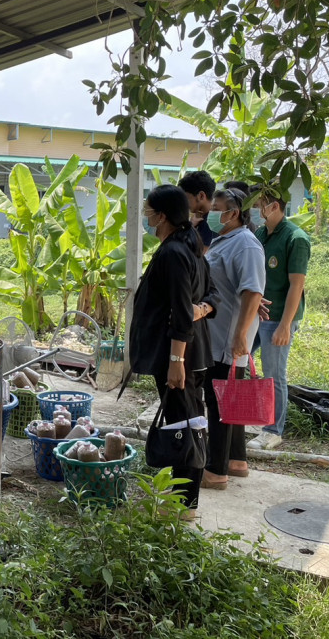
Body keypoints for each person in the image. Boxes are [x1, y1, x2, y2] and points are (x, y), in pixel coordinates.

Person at [129, 185, 217, 517]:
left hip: (181, 355)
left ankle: (185, 504)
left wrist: (176, 361)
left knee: (185, 425)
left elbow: (182, 315)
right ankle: (182, 496)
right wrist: (202, 309)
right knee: (187, 420)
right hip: (188, 353)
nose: (146, 216)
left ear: (162, 216)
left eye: (149, 211)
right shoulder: (188, 246)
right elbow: (211, 296)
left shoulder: (175, 253)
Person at [199, 189, 266, 489]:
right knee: (231, 398)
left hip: (227, 340)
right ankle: (236, 461)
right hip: (218, 335)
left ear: (234, 212)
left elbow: (252, 291)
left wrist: (240, 335)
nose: (212, 213)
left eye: (217, 208)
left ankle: (215, 471)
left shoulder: (246, 244)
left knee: (219, 403)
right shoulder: (225, 240)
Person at [248, 187, 311, 450]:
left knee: (274, 374)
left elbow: (297, 285)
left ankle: (273, 430)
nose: (256, 210)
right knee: (238, 360)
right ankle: (253, 415)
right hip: (255, 314)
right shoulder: (261, 234)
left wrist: (285, 325)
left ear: (274, 206)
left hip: (278, 317)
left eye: (259, 205)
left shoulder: (296, 238)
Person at [178, 170, 217, 251]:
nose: (183, 203)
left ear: (201, 196)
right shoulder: (202, 218)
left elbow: (198, 255)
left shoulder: (210, 223)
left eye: (186, 198)